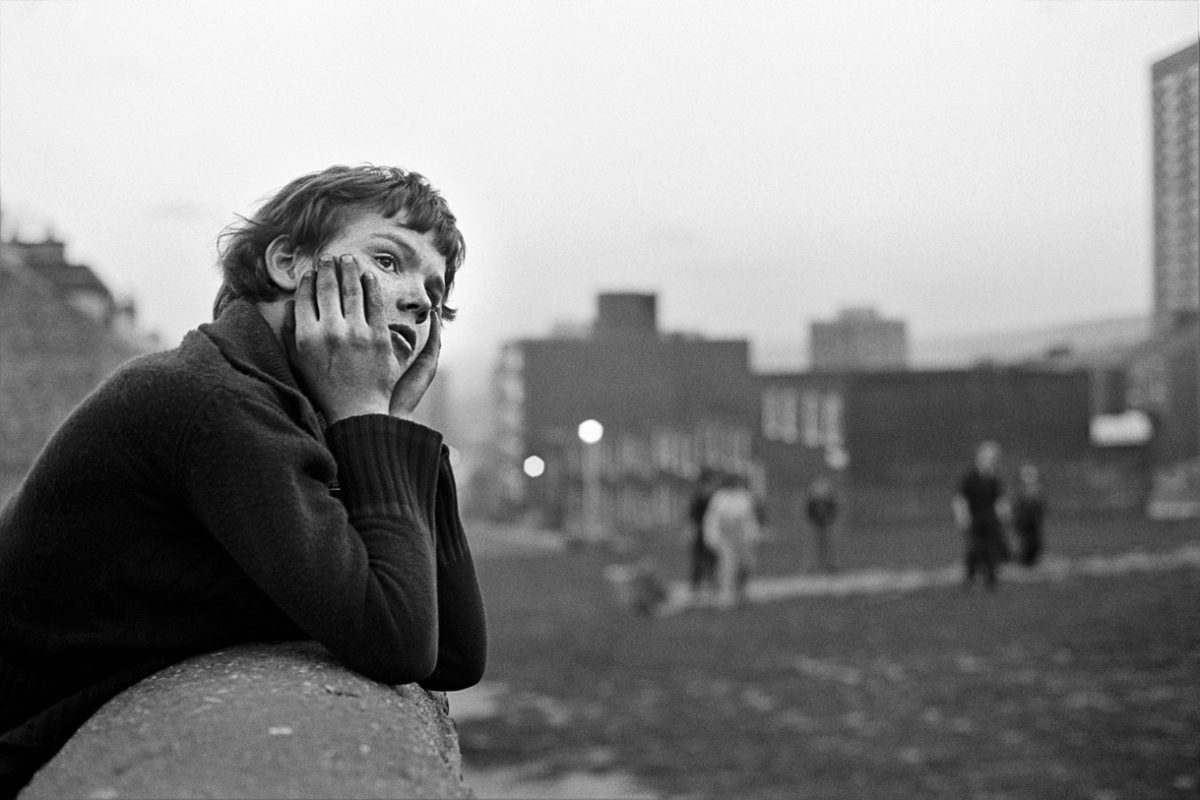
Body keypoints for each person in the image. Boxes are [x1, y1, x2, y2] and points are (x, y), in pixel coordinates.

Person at [0, 165, 488, 795]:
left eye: (434, 292)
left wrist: (390, 421)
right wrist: (368, 411)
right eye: (389, 261)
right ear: (287, 263)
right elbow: (396, 641)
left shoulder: (292, 412)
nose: (420, 300)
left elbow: (456, 653)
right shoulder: (211, 398)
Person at [952, 440, 1008, 590]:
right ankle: (969, 579)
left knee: (991, 549)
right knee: (974, 549)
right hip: (975, 519)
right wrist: (962, 516)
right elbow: (960, 498)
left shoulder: (993, 478)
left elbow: (999, 498)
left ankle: (991, 580)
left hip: (990, 520)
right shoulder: (970, 477)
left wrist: (1003, 514)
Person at [703, 473, 762, 609]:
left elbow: (749, 518)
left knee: (746, 564)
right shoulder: (719, 497)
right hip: (725, 536)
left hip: (742, 536)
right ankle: (725, 596)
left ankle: (742, 591)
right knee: (727, 566)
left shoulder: (744, 496)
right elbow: (712, 519)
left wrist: (754, 534)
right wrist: (711, 537)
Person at [686, 468, 720, 603]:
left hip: (713, 531)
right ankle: (696, 587)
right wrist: (692, 530)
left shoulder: (716, 497)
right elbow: (693, 516)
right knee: (699, 560)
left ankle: (713, 585)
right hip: (701, 532)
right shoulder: (698, 497)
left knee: (713, 559)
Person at [1012, 463, 1046, 567]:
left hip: (1034, 521)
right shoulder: (1020, 490)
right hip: (1023, 521)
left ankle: (1031, 561)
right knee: (1024, 542)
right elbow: (1016, 505)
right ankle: (1023, 561)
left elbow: (1041, 506)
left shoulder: (1038, 489)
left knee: (1035, 542)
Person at [804, 476, 839, 574]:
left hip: (826, 525)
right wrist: (815, 521)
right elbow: (810, 513)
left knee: (828, 545)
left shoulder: (828, 501)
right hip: (816, 525)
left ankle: (830, 565)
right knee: (815, 546)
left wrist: (829, 519)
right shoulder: (813, 502)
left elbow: (833, 511)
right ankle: (814, 566)